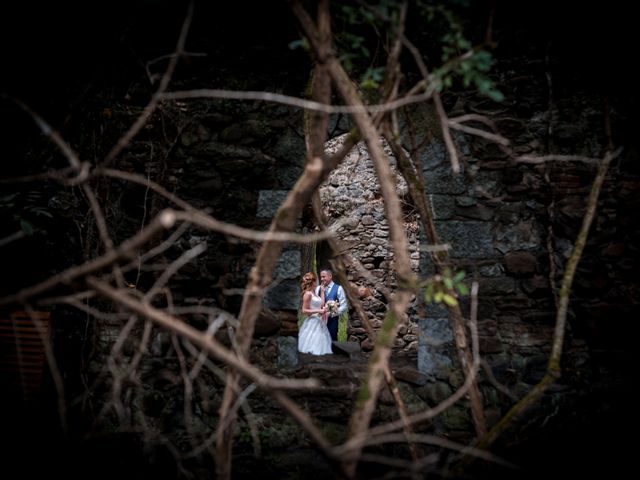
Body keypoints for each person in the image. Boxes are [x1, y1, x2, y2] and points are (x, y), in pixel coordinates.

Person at [298, 271, 333, 355]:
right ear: (313, 282)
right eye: (316, 280)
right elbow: (304, 310)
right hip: (312, 322)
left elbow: (320, 305)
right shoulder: (307, 294)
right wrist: (319, 311)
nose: (318, 281)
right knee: (312, 344)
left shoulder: (314, 293)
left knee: (321, 345)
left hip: (319, 321)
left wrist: (322, 292)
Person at [316, 268, 348, 342]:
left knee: (332, 340)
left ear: (330, 276)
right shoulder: (318, 289)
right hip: (319, 321)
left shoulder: (339, 288)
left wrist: (332, 314)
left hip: (332, 321)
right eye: (321, 277)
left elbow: (344, 306)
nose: (322, 279)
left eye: (324, 277)